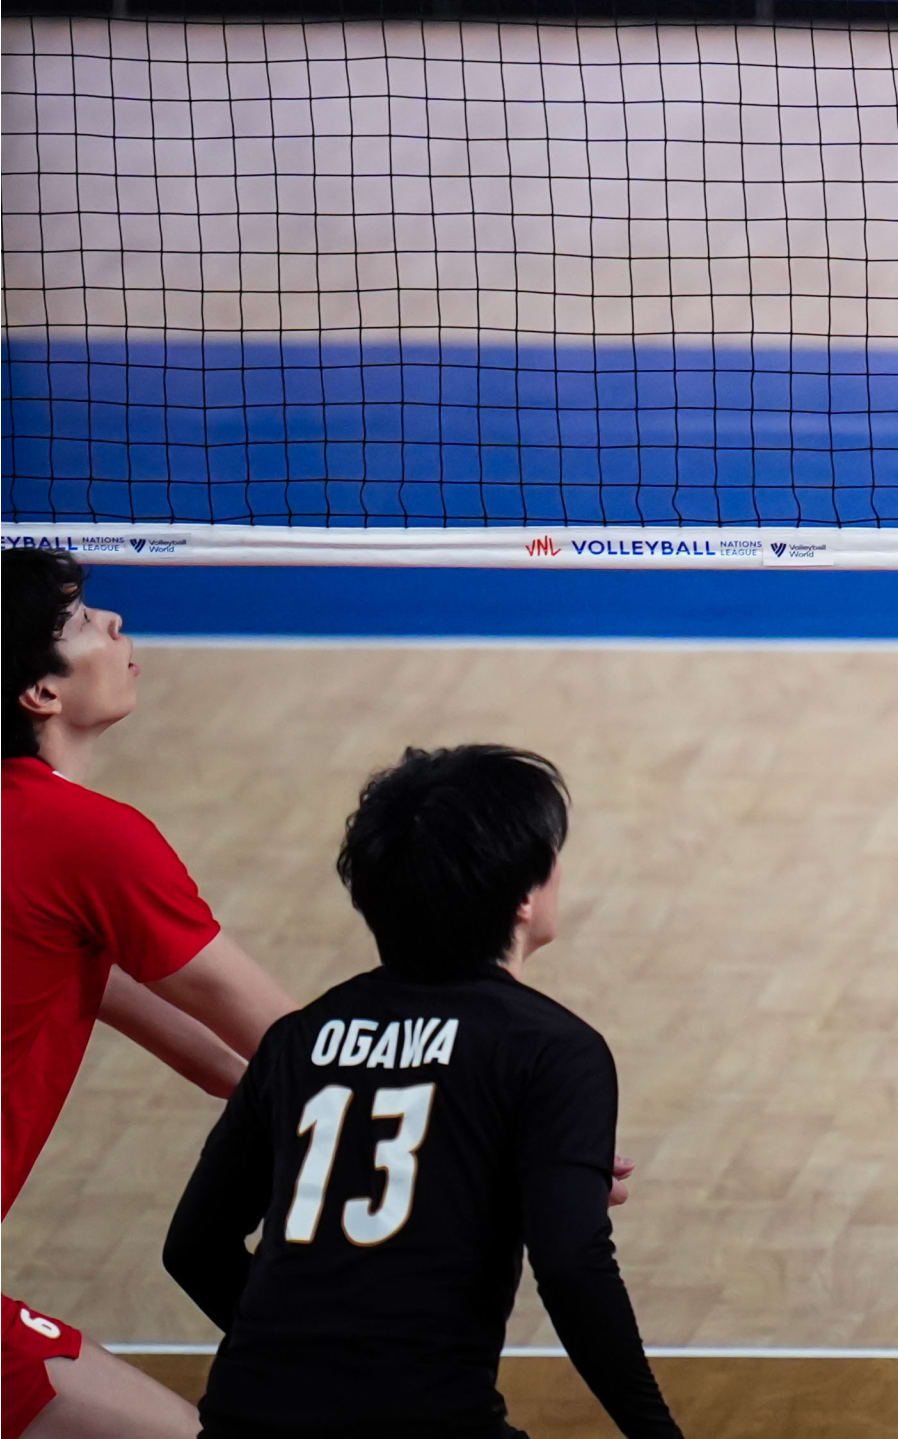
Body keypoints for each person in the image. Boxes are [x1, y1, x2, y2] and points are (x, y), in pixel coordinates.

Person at [165, 745, 681, 1439]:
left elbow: (195, 1245)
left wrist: (316, 1361)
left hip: (244, 1417)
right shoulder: (554, 1049)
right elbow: (572, 1265)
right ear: (525, 896)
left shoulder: (299, 1037)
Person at [6, 549, 300, 1439]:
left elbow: (224, 1057)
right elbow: (298, 1040)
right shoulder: (88, 838)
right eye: (83, 620)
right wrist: (514, 1129)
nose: (116, 624)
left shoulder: (46, 861)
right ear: (41, 694)